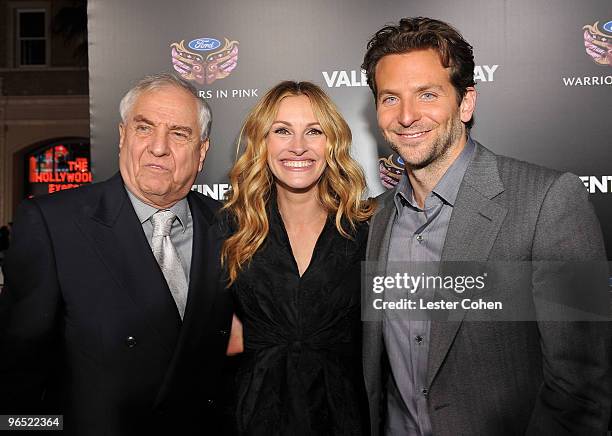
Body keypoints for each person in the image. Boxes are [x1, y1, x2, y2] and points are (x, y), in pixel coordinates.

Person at [361, 17, 611, 435]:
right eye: (390, 99)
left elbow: (582, 385)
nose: (406, 116)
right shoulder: (375, 219)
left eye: (427, 94)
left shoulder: (551, 201)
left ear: (465, 102)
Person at [0, 73, 233, 435]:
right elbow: (18, 373)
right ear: (123, 136)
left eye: (179, 133)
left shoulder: (233, 228)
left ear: (201, 152)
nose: (159, 147)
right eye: (144, 128)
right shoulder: (53, 224)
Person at [222, 81, 374, 435]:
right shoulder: (231, 227)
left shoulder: (368, 229)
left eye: (314, 131)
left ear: (332, 143)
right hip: (252, 414)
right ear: (263, 142)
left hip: (345, 415)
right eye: (282, 131)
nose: (298, 147)